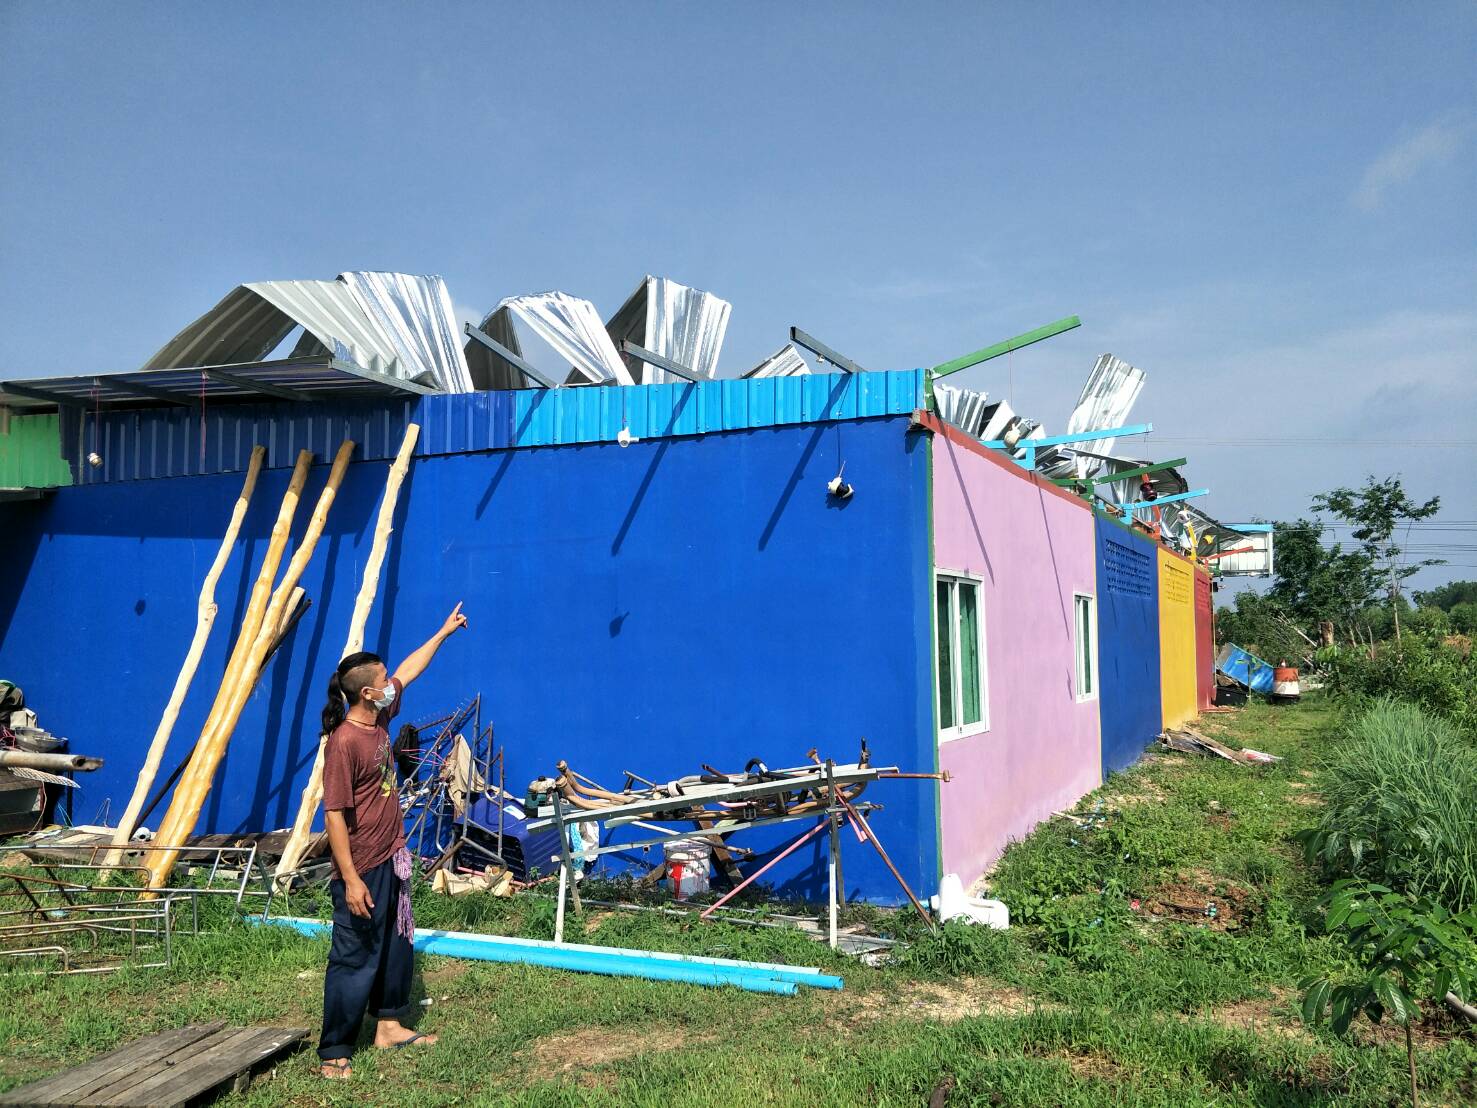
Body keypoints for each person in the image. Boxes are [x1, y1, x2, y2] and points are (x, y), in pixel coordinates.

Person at [316, 603, 468, 1080]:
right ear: (366, 693)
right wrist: (350, 879)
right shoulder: (344, 743)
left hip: (392, 858)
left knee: (396, 945)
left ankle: (388, 1026)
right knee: (354, 954)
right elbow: (334, 815)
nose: (390, 683)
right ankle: (335, 1048)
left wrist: (442, 632)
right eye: (382, 680)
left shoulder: (379, 718)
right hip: (361, 865)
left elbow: (408, 669)